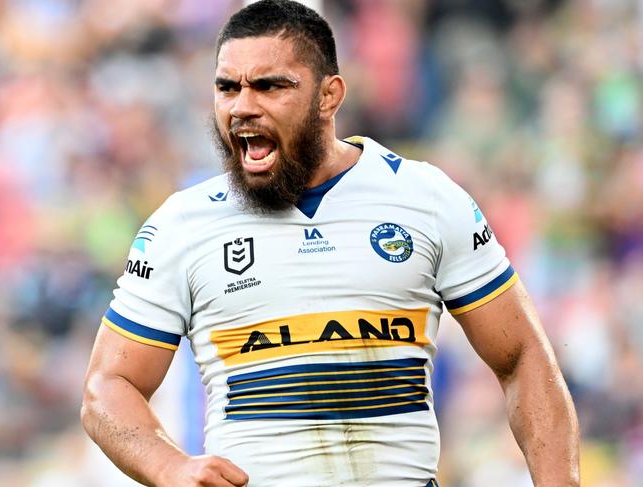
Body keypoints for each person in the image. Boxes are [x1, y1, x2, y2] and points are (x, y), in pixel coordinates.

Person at [81, 1, 580, 486]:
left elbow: (522, 358)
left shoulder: (426, 199)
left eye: (270, 86)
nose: (242, 106)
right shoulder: (181, 226)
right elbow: (109, 386)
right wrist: (170, 466)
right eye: (227, 87)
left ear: (329, 95)